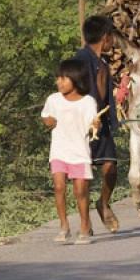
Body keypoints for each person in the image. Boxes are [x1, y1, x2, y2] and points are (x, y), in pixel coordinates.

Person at [41, 59, 101, 244]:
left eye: (64, 78)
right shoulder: (53, 99)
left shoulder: (87, 101)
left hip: (79, 153)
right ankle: (64, 226)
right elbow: (45, 117)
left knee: (81, 190)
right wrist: (48, 122)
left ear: (76, 79)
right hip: (59, 151)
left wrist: (95, 125)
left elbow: (93, 123)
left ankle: (84, 226)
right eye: (58, 78)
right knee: (59, 186)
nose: (59, 82)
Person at [74, 15, 120, 232]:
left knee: (110, 167)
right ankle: (85, 220)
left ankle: (103, 203)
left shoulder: (102, 62)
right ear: (105, 37)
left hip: (101, 122)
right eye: (112, 37)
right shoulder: (81, 59)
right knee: (82, 174)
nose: (114, 42)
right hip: (82, 123)